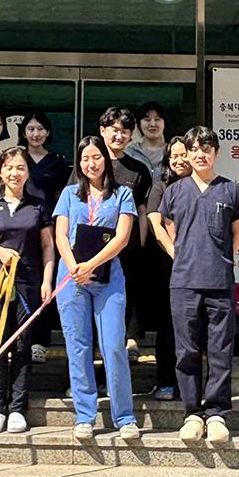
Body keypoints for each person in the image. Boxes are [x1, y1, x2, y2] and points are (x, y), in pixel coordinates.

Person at [153, 125, 239, 445]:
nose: (200, 154)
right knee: (187, 350)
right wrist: (179, 256)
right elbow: (169, 229)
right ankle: (193, 412)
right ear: (188, 153)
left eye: (206, 149)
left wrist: (221, 261)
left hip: (219, 280)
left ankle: (217, 412)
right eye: (194, 149)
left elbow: (238, 233)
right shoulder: (175, 191)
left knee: (220, 349)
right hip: (183, 282)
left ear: (215, 153)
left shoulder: (231, 191)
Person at [52, 135, 141, 441]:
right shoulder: (67, 194)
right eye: (85, 158)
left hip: (108, 277)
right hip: (71, 278)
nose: (91, 163)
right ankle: (85, 415)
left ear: (106, 159)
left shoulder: (123, 194)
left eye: (97, 157)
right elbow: (61, 235)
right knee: (78, 347)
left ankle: (124, 415)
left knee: (114, 345)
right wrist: (74, 265)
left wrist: (91, 264)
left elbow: (122, 237)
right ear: (79, 163)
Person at [0, 147, 54, 434]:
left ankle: (17, 407)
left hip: (28, 281)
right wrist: (0, 252)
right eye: (9, 167)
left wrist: (47, 280)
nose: (14, 173)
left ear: (27, 172)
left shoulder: (37, 205)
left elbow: (47, 247)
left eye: (20, 168)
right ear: (0, 171)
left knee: (23, 345)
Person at [98, 106, 153, 359]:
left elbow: (142, 209)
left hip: (127, 245)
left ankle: (128, 340)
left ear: (131, 136)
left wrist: (140, 242)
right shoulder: (90, 162)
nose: (119, 136)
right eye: (114, 130)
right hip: (94, 247)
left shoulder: (138, 169)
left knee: (127, 294)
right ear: (103, 131)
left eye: (125, 131)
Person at [143, 136, 191, 401]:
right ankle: (165, 381)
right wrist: (175, 254)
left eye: (183, 154)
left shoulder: (203, 186)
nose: (178, 160)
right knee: (168, 325)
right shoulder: (161, 186)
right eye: (173, 156)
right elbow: (155, 223)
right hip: (168, 266)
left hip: (199, 266)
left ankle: (190, 385)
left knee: (193, 327)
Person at [22, 110, 71, 363]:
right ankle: (23, 338)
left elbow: (65, 196)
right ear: (23, 132)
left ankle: (40, 340)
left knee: (46, 281)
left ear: (48, 132)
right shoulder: (16, 159)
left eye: (40, 128)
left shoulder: (58, 163)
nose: (35, 133)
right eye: (30, 128)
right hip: (20, 227)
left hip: (50, 227)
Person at [128, 102, 170, 174]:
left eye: (157, 119)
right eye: (147, 120)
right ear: (139, 124)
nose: (152, 124)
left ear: (164, 123)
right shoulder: (130, 152)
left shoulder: (171, 151)